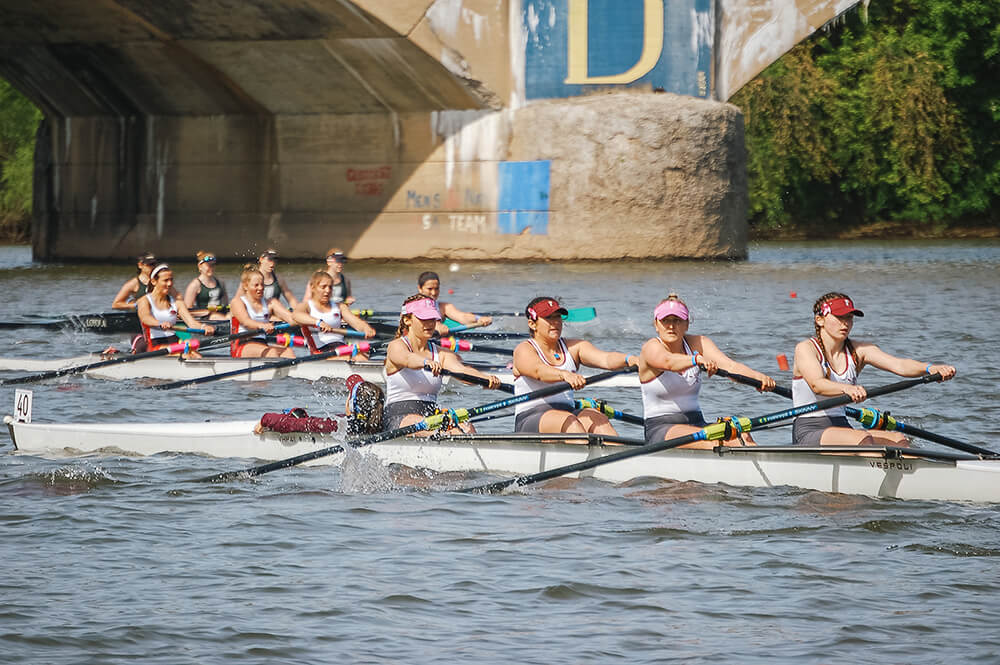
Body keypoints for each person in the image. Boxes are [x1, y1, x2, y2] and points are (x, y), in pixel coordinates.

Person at [792, 292, 956, 446]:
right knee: (862, 438)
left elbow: (899, 365)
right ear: (820, 320)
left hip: (842, 426)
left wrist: (930, 368)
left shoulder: (859, 351)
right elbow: (817, 385)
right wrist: (847, 389)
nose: (845, 323)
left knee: (898, 439)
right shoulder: (806, 349)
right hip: (809, 428)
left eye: (849, 317)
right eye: (839, 317)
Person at [638, 294, 776, 447]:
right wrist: (695, 360)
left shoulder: (698, 343)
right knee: (713, 443)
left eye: (677, 320)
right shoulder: (650, 347)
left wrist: (758, 377)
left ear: (687, 324)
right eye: (665, 321)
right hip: (661, 428)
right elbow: (668, 361)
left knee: (741, 435)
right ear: (656, 324)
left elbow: (730, 367)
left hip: (697, 422)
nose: (671, 326)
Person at [511, 296, 634, 435]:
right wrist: (564, 375)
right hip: (531, 417)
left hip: (567, 413)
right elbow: (538, 371)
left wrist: (630, 359)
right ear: (532, 324)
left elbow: (606, 359)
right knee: (569, 421)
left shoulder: (574, 347)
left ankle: (621, 455)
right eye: (549, 318)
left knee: (598, 419)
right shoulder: (524, 350)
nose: (556, 322)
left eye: (558, 317)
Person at [383, 294, 501, 434]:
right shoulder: (396, 346)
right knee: (422, 425)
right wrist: (425, 362)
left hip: (431, 415)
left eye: (433, 319)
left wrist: (485, 379)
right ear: (407, 320)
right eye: (424, 319)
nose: (430, 324)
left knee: (466, 427)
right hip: (398, 417)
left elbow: (461, 371)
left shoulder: (442, 354)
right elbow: (407, 359)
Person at [136, 264, 215, 358]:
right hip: (154, 344)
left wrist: (204, 327)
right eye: (165, 280)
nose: (169, 284)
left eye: (171, 280)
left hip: (174, 341)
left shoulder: (177, 302)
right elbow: (145, 318)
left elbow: (192, 323)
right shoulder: (144, 300)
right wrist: (159, 323)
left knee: (197, 355)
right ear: (154, 281)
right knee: (188, 356)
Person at [292, 270, 376, 359]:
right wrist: (318, 322)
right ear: (313, 287)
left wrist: (366, 328)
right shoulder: (306, 306)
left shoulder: (339, 307)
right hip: (320, 351)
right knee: (348, 356)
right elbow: (296, 315)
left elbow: (356, 323)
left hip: (341, 347)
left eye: (330, 287)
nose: (327, 291)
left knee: (363, 355)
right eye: (323, 287)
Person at [229, 265, 298, 358]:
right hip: (242, 344)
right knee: (271, 352)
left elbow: (291, 318)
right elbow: (246, 322)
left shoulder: (271, 303)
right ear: (245, 286)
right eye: (256, 285)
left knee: (288, 351)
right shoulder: (237, 302)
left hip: (262, 344)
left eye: (262, 284)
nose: (261, 288)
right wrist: (262, 325)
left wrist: (310, 320)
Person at [417, 270, 492, 334]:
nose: (434, 293)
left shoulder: (443, 307)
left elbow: (462, 317)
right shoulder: (413, 306)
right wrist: (436, 326)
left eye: (436, 289)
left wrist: (479, 319)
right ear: (420, 288)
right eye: (429, 289)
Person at [234, 249, 298, 310]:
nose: (272, 264)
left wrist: (298, 311)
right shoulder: (250, 277)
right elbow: (237, 300)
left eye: (274, 260)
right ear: (261, 259)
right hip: (255, 311)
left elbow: (292, 300)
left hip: (274, 313)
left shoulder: (279, 279)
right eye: (269, 260)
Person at [182, 250, 229, 320]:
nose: (211, 268)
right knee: (217, 317)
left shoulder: (221, 283)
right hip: (206, 317)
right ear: (200, 266)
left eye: (213, 265)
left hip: (221, 315)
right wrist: (207, 311)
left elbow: (225, 304)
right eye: (208, 265)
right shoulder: (194, 285)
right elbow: (186, 311)